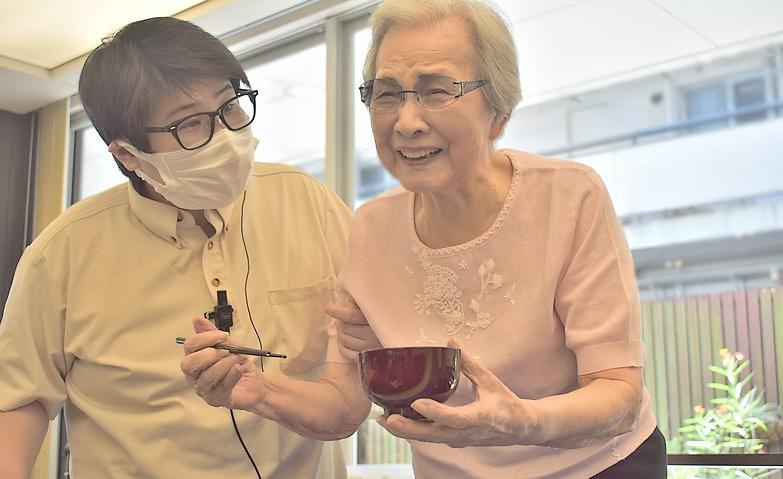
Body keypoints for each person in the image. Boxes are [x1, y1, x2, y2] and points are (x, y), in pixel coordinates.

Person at [182, 0, 667, 477]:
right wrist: (258, 390)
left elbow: (617, 393)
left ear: (498, 108)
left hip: (597, 468)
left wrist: (517, 420)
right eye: (387, 94)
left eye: (437, 91)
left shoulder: (569, 196)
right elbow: (344, 404)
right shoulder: (371, 228)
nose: (407, 122)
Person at [0, 17, 353, 479]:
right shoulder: (62, 253)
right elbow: (17, 400)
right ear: (128, 154)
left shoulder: (307, 202)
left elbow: (362, 353)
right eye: (190, 124)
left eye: (231, 106)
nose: (226, 136)